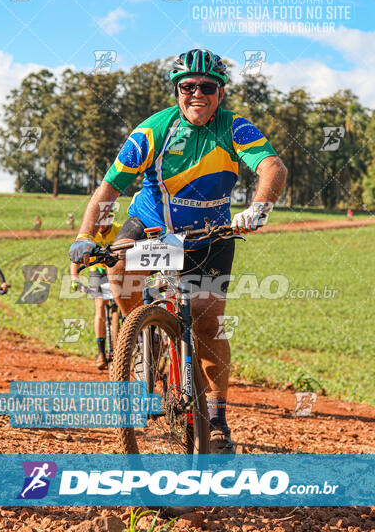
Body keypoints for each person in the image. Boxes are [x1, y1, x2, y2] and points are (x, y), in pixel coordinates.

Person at [69, 49, 287, 453]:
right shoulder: (153, 130)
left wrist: (259, 208)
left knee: (207, 324)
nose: (197, 94)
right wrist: (85, 234)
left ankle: (218, 419)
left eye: (207, 87)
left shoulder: (234, 127)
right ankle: (138, 340)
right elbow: (110, 188)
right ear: (177, 91)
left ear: (220, 93)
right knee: (118, 276)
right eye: (188, 87)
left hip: (210, 234)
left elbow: (273, 167)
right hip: (151, 226)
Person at [70, 209, 122, 370]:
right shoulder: (90, 235)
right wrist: (74, 278)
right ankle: (101, 353)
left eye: (104, 220)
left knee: (127, 304)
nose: (100, 224)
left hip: (117, 271)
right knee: (99, 307)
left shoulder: (119, 229)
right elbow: (76, 259)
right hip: (98, 271)